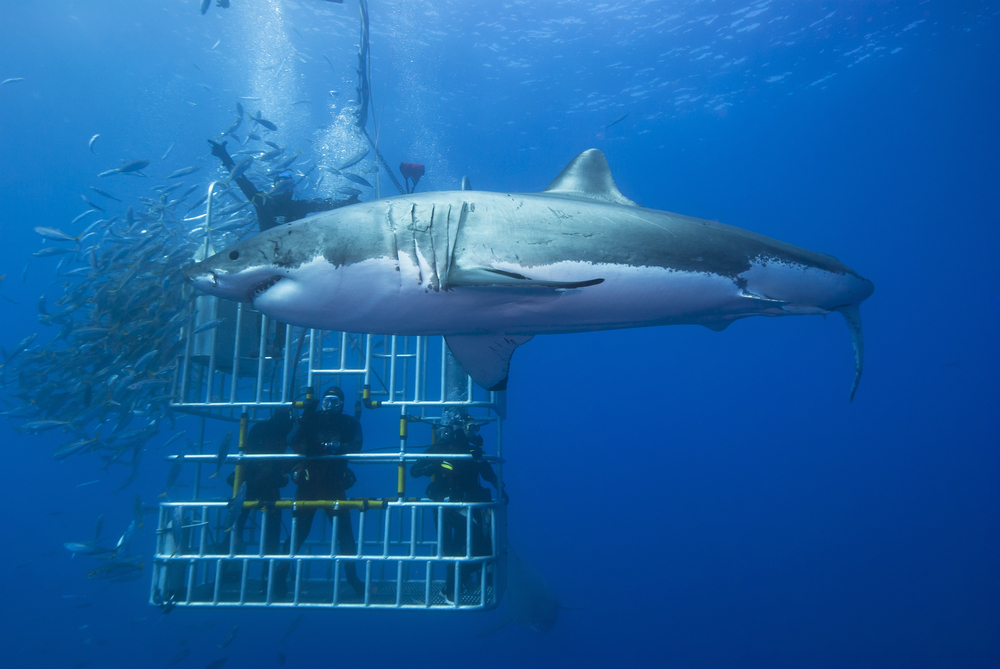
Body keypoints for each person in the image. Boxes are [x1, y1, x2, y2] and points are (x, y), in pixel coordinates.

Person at [273, 387, 364, 598]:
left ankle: (352, 578)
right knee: (298, 534)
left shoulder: (349, 422)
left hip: (334, 484)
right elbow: (291, 440)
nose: (329, 406)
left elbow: (357, 447)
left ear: (341, 404)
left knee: (345, 536)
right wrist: (304, 417)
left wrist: (338, 447)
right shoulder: (311, 418)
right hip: (308, 483)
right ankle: (279, 576)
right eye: (326, 401)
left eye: (334, 402)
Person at [410, 409, 507, 602]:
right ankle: (452, 589)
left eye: (475, 428)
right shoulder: (439, 450)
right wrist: (427, 468)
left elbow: (488, 473)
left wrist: (500, 488)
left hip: (470, 505)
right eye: (469, 428)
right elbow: (413, 470)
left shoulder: (474, 452)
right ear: (458, 428)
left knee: (482, 548)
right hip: (448, 507)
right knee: (457, 550)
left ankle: (461, 583)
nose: (473, 433)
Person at [207, 139, 358, 232]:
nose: (282, 187)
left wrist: (348, 202)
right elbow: (241, 180)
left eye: (286, 184)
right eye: (278, 183)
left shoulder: (299, 206)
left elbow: (325, 205)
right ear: (273, 186)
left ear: (292, 189)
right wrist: (224, 156)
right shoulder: (262, 201)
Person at [230, 408, 293, 564]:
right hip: (259, 482)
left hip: (255, 481)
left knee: (237, 523)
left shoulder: (262, 428)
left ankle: (226, 566)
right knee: (267, 529)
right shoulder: (286, 430)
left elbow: (248, 455)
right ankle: (267, 573)